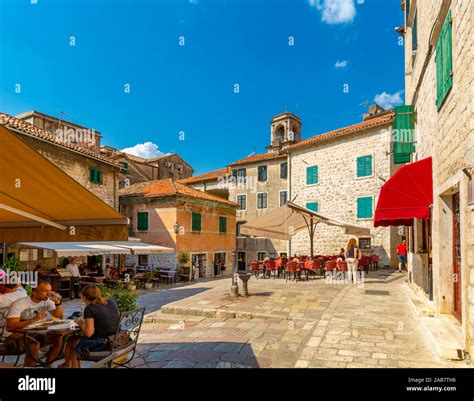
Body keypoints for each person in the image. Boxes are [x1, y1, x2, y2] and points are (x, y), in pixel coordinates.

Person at [59, 285, 120, 368]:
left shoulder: (90, 308)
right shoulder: (111, 301)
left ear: (84, 297)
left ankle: (67, 365)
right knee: (73, 340)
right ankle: (67, 365)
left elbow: (88, 334)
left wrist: (81, 324)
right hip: (117, 338)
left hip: (104, 343)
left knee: (71, 341)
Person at [5, 281, 64, 367]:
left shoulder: (47, 301)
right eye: (45, 291)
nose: (49, 294)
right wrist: (34, 319)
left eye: (50, 291)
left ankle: (47, 366)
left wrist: (58, 303)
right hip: (13, 336)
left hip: (35, 332)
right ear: (34, 292)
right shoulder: (19, 304)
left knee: (59, 337)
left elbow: (59, 317)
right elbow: (10, 327)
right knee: (33, 344)